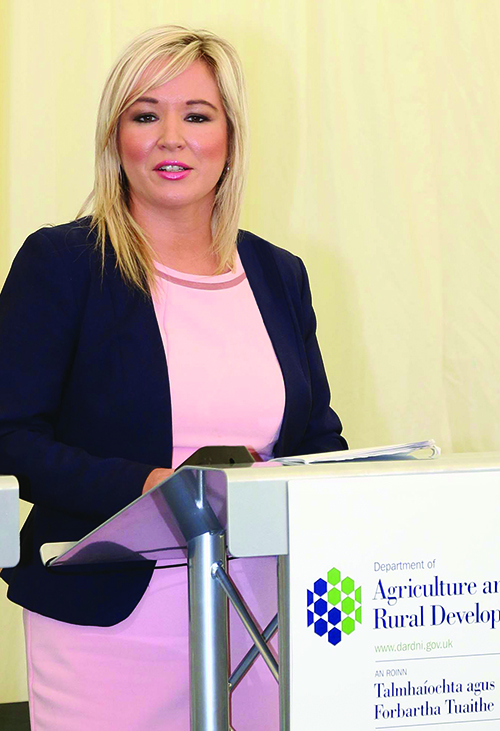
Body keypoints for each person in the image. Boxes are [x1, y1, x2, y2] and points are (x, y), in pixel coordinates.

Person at [0, 25, 347, 731]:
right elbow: (10, 435)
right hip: (113, 622)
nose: (171, 138)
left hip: (268, 610)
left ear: (230, 138)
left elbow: (318, 440)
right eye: (144, 115)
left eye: (196, 115)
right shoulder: (64, 263)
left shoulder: (279, 273)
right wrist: (150, 488)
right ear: (115, 137)